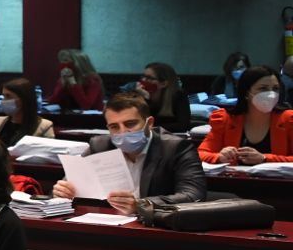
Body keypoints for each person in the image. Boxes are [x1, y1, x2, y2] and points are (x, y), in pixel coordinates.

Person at [51, 91, 208, 213]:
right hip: (108, 224)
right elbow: (70, 182)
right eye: (114, 127)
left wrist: (141, 205)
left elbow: (194, 196)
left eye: (130, 124)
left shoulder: (176, 148)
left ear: (149, 123)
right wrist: (63, 190)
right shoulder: (99, 145)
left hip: (155, 229)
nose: (123, 132)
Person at [198, 66, 293, 164]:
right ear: (246, 93)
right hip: (234, 178)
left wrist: (264, 158)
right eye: (263, 88)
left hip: (274, 179)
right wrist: (220, 157)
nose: (271, 94)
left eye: (275, 89)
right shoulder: (225, 119)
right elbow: (201, 154)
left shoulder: (289, 119)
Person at [0, 78, 55, 148]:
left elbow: (46, 154)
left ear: (24, 99)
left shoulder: (44, 126)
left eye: (8, 96)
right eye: (3, 96)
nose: (3, 101)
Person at [139, 62, 192, 134]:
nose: (144, 80)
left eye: (149, 78)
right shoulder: (139, 96)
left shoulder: (178, 96)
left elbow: (183, 125)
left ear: (164, 83)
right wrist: (146, 99)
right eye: (143, 76)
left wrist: (153, 128)